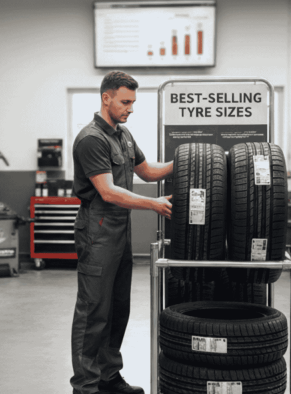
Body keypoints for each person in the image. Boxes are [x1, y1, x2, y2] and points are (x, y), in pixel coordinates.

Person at [70, 71, 173, 394]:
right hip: (97, 229)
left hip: (118, 229)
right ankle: (85, 386)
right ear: (107, 98)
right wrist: (153, 204)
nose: (131, 108)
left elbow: (149, 171)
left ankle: (108, 377)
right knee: (93, 310)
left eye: (133, 102)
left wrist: (188, 159)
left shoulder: (123, 135)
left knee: (117, 308)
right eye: (125, 101)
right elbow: (108, 191)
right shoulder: (91, 139)